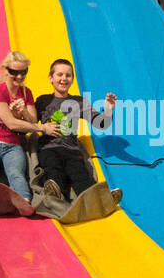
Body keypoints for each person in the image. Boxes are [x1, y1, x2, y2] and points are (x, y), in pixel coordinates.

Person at [0, 53, 59, 201]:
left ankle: (24, 201)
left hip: (12, 145)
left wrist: (23, 111)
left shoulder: (26, 93)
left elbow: (32, 119)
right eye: (14, 72)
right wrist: (43, 128)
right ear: (6, 70)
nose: (20, 77)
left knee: (16, 174)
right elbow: (11, 123)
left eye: (23, 72)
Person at [34, 58, 116, 201]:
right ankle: (54, 194)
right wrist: (20, 112)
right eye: (59, 75)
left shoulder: (79, 101)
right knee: (53, 170)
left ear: (72, 79)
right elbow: (30, 123)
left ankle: (98, 200)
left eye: (68, 75)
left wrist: (108, 110)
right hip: (48, 148)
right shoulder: (42, 100)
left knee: (80, 174)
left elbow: (101, 124)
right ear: (50, 78)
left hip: (71, 149)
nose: (64, 79)